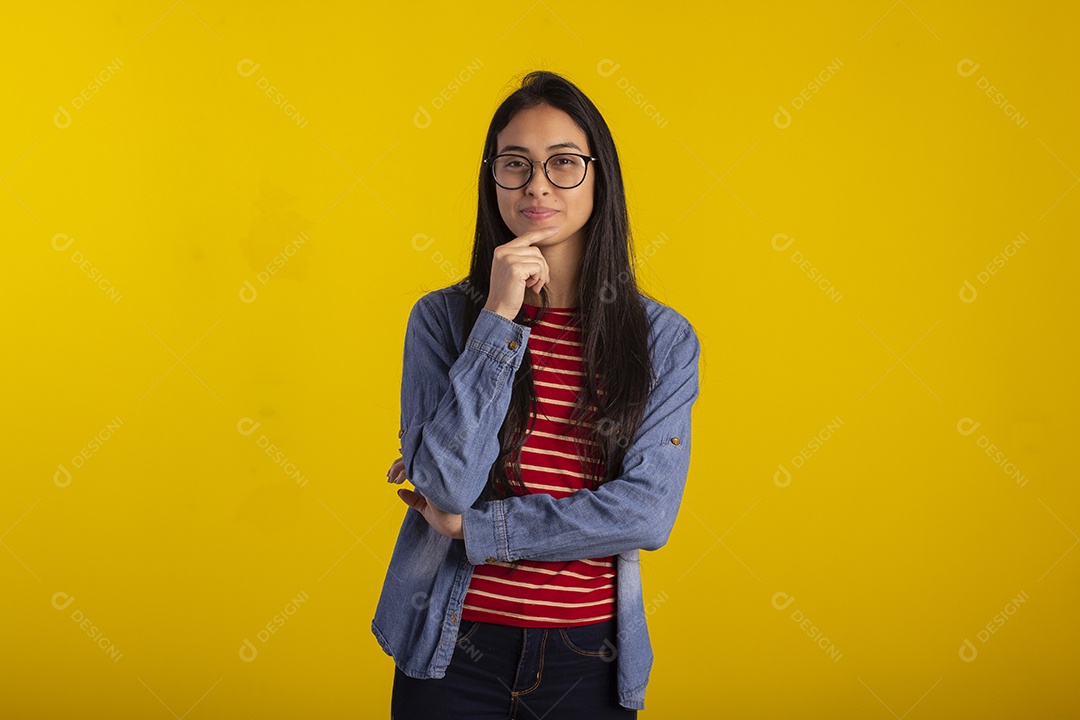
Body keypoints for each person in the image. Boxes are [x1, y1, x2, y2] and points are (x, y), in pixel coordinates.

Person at [372, 70, 701, 718]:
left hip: (589, 663)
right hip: (451, 650)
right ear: (491, 177)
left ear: (599, 175)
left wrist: (480, 529)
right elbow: (444, 484)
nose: (537, 184)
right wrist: (498, 319)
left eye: (563, 163)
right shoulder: (442, 320)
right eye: (514, 164)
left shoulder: (662, 340)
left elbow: (644, 513)